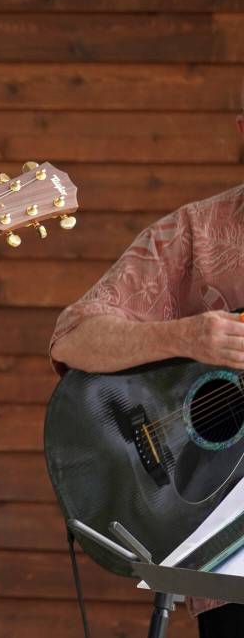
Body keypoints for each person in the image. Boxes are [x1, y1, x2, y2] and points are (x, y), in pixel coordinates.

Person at [49, 82, 244, 637]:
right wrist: (188, 337)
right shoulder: (196, 232)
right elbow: (74, 338)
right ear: (242, 133)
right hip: (229, 562)